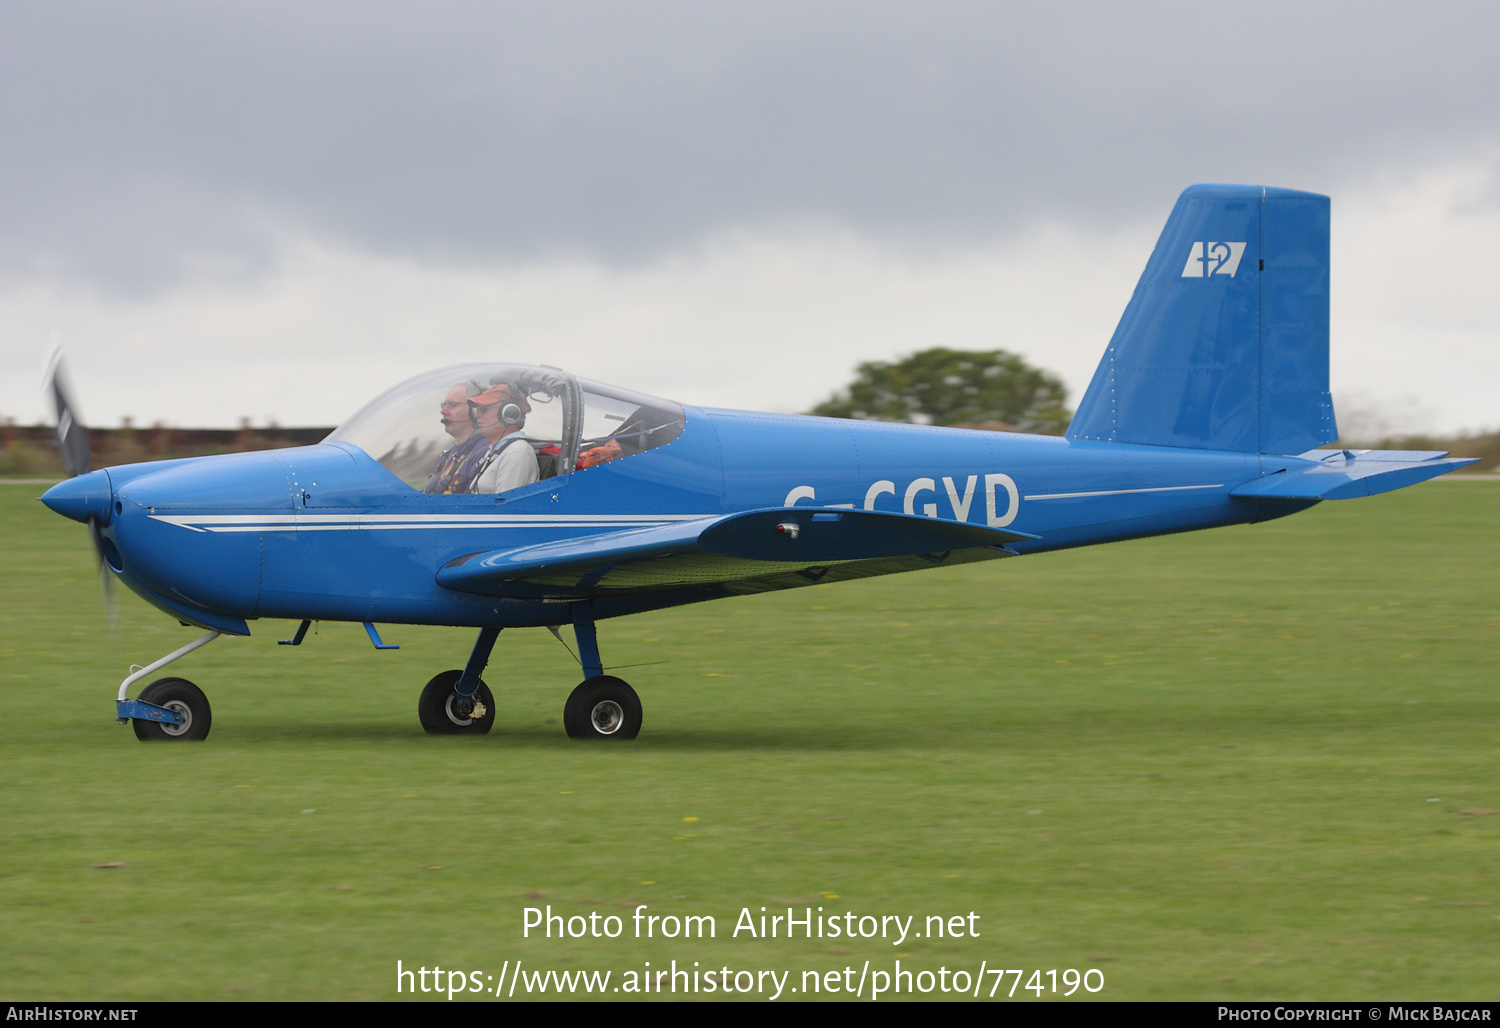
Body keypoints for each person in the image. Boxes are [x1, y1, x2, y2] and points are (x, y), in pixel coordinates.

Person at [468, 381, 540, 494]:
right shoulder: (496, 450)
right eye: (478, 410)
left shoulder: (517, 452)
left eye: (484, 410)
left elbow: (505, 509)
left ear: (508, 414)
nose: (477, 415)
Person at [423, 381, 491, 494]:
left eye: (452, 405)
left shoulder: (485, 451)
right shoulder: (445, 456)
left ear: (476, 410)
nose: (443, 411)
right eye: (443, 405)